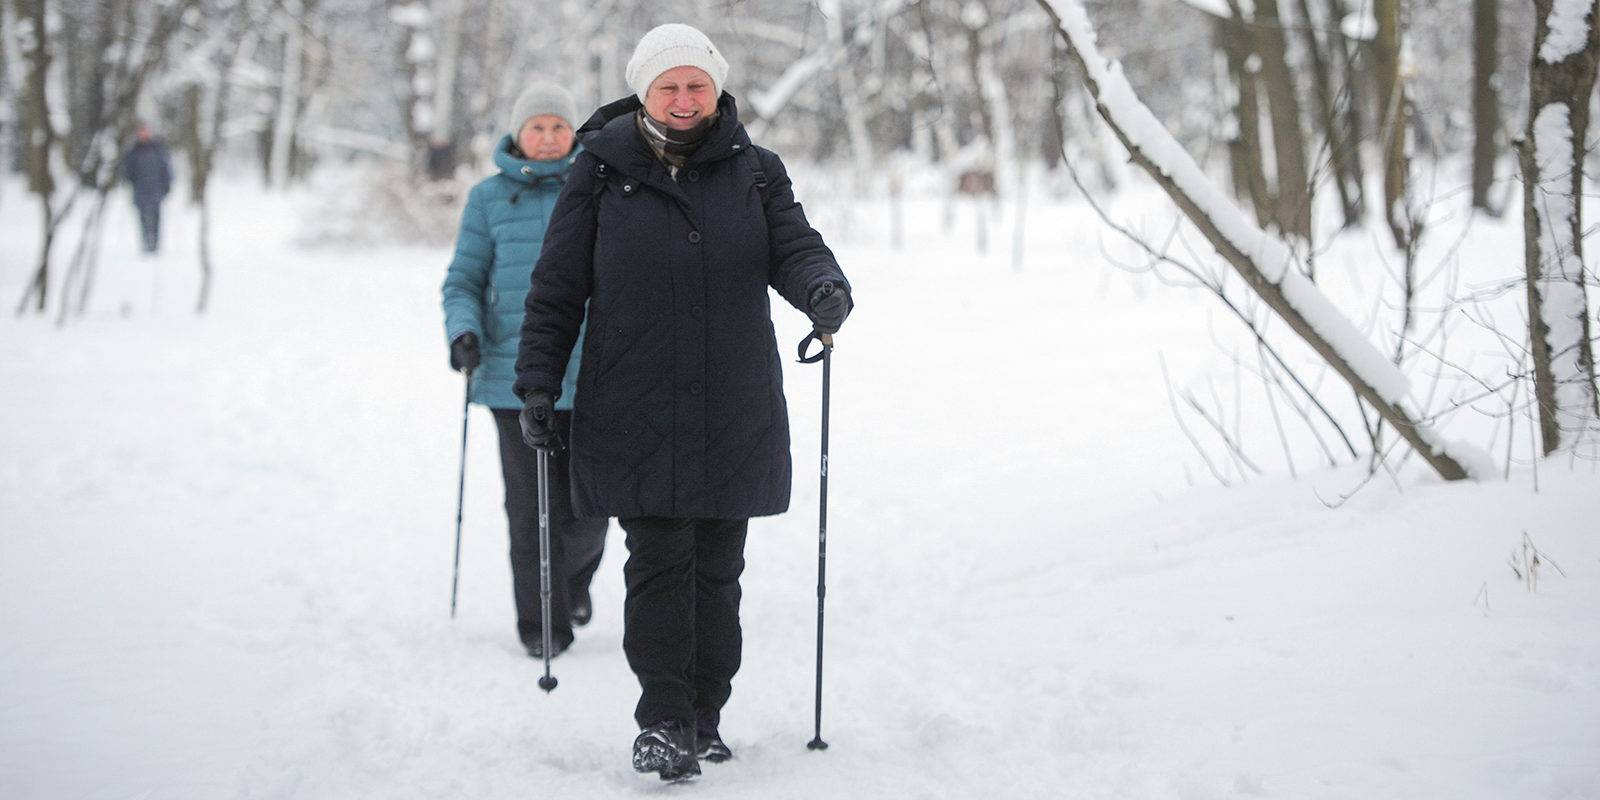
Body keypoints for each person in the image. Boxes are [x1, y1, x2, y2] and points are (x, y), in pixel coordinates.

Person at [513, 23, 853, 782]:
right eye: (668, 85)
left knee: (718, 571)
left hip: (733, 401)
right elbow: (558, 286)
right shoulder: (598, 173)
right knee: (659, 561)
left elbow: (795, 247)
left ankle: (706, 715)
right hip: (635, 401)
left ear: (716, 88)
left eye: (696, 84)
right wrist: (538, 381)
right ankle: (664, 719)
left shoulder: (756, 172)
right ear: (643, 90)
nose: (684, 98)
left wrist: (823, 289)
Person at [441, 81, 608, 660]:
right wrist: (464, 332)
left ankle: (572, 583)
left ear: (572, 134)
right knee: (531, 507)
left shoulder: (600, 189)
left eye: (558, 127)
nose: (546, 137)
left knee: (591, 508)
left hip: (593, 375)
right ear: (517, 133)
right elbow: (463, 279)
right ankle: (543, 623)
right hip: (512, 380)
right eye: (535, 127)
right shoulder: (488, 199)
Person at [122, 124, 172, 253]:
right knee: (143, 218)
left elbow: (165, 167)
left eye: (145, 132)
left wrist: (167, 183)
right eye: (141, 132)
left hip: (156, 189)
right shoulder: (133, 151)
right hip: (140, 190)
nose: (143, 135)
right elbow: (127, 170)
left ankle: (155, 243)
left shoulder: (157, 149)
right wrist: (127, 179)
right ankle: (145, 242)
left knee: (156, 217)